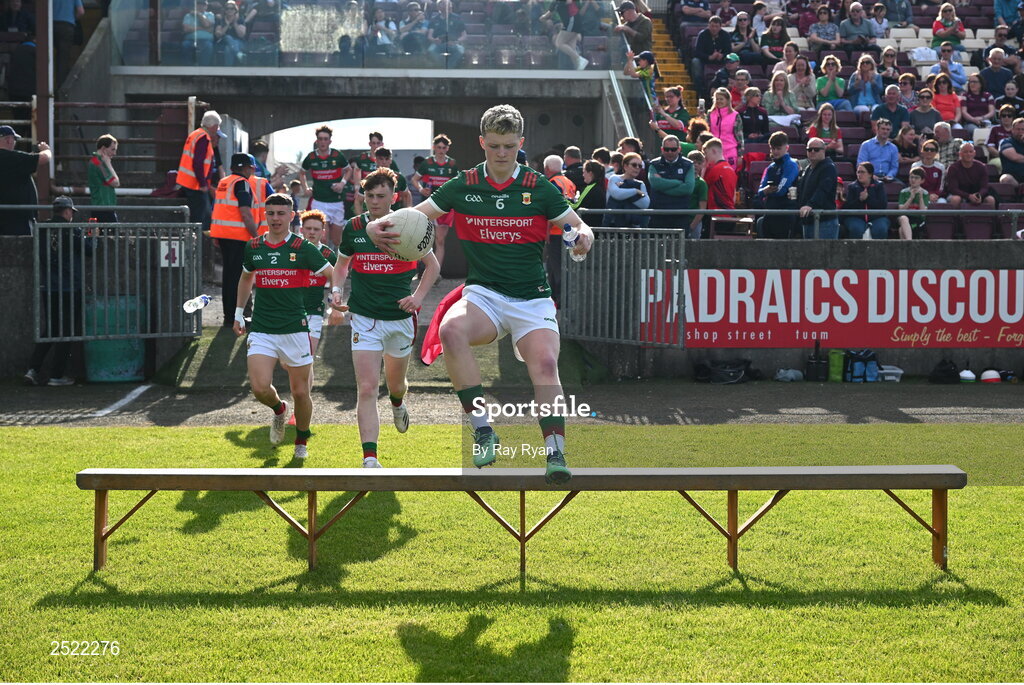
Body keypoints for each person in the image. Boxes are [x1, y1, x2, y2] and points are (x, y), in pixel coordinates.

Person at [365, 104, 594, 485]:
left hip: (532, 298)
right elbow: (414, 217)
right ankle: (483, 428)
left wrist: (583, 239)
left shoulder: (538, 187)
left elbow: (580, 228)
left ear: (520, 143)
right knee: (451, 331)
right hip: (484, 294)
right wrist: (376, 228)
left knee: (547, 367)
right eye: (493, 146)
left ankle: (555, 451)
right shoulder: (464, 183)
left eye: (508, 146)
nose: (501, 153)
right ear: (481, 143)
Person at [330, 168, 440, 467]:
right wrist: (337, 291)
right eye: (369, 196)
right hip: (364, 319)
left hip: (400, 319)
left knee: (396, 384)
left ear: (394, 197)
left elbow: (432, 266)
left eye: (381, 196)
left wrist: (417, 298)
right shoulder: (354, 227)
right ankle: (370, 459)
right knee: (366, 387)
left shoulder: (408, 224)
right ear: (362, 196)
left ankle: (398, 402)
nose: (374, 202)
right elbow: (341, 266)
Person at [233, 193, 333, 460]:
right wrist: (238, 313)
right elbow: (245, 279)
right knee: (259, 387)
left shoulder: (303, 248)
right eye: (271, 213)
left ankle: (301, 440)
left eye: (281, 213)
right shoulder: (254, 246)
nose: (275, 218)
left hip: (295, 328)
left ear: (292, 216)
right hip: (263, 328)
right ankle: (279, 410)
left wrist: (337, 299)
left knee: (302, 391)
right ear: (265, 215)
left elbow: (333, 274)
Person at [23, 196, 91, 387]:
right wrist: (92, 235)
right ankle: (56, 375)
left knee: (51, 330)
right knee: (67, 332)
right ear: (68, 212)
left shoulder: (42, 230)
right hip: (70, 287)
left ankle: (33, 369)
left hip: (49, 287)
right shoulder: (72, 230)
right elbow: (89, 249)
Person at [211, 153, 265, 327]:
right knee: (239, 278)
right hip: (238, 237)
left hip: (224, 236)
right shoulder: (242, 184)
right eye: (252, 167)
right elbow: (245, 213)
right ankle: (236, 317)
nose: (253, 171)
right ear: (247, 167)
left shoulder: (224, 182)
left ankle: (229, 316)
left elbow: (221, 210)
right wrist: (256, 236)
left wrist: (217, 234)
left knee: (229, 277)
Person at [300, 125, 352, 248]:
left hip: (336, 201)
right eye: (320, 139)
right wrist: (305, 187)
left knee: (337, 240)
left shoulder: (337, 155)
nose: (323, 142)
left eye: (325, 139)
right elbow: (301, 173)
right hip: (319, 202)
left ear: (330, 141)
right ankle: (325, 266)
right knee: (323, 239)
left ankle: (339, 265)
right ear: (316, 141)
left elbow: (349, 170)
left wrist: (342, 183)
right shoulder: (311, 157)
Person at [413, 134, 459, 270]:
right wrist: (421, 190)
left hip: (445, 206)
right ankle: (422, 269)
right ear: (434, 147)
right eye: (438, 147)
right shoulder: (427, 163)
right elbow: (414, 179)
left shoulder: (452, 164)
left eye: (444, 147)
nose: (441, 150)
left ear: (447, 148)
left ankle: (436, 272)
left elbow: (458, 183)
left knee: (440, 240)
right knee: (424, 239)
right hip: (428, 204)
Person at [175, 110, 223, 234]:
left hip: (190, 182)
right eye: (217, 127)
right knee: (202, 217)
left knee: (200, 215)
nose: (217, 129)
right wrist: (202, 183)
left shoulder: (195, 134)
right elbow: (198, 163)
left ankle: (197, 240)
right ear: (213, 126)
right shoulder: (203, 138)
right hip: (195, 184)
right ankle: (199, 243)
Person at [0, 125, 51, 236]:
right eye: (14, 139)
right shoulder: (11, 158)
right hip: (18, 219)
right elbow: (44, 158)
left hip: (4, 216)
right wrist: (46, 150)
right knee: (23, 250)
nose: (14, 143)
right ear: (8, 139)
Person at [756, 131, 799, 238]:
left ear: (786, 148)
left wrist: (767, 191)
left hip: (785, 214)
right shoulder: (770, 167)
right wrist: (766, 191)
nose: (775, 152)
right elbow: (760, 192)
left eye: (778, 148)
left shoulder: (791, 165)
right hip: (770, 213)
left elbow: (782, 190)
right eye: (772, 148)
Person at [648, 135, 696, 230]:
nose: (670, 152)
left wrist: (663, 186)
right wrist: (677, 182)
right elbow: (655, 183)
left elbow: (688, 188)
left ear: (679, 149)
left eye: (673, 149)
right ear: (662, 149)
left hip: (680, 215)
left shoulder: (688, 165)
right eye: (666, 149)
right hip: (658, 214)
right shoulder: (654, 164)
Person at [797, 137, 840, 238]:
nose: (812, 152)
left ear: (824, 150)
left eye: (816, 149)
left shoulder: (828, 167)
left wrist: (810, 205)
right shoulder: (808, 168)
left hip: (824, 221)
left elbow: (823, 189)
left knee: (825, 253)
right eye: (809, 149)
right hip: (809, 220)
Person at [842, 161, 889, 238]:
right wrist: (859, 200)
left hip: (877, 217)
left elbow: (882, 205)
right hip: (856, 217)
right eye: (858, 172)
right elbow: (847, 206)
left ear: (870, 174)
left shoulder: (879, 186)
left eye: (862, 172)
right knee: (856, 229)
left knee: (881, 229)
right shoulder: (852, 187)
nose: (859, 175)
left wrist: (868, 199)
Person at [944, 142, 997, 209]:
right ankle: (955, 219)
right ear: (960, 154)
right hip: (959, 195)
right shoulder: (953, 168)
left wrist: (979, 195)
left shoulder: (982, 167)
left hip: (977, 195)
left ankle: (989, 219)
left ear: (974, 153)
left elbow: (985, 187)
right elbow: (953, 189)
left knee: (990, 199)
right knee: (955, 199)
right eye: (965, 152)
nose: (968, 154)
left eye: (970, 152)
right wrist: (969, 196)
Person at [606, 151, 651, 226]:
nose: (637, 168)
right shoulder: (614, 178)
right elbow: (617, 194)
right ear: (625, 166)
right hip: (614, 224)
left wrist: (624, 190)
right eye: (634, 165)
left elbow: (645, 203)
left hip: (633, 225)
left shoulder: (640, 184)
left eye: (640, 166)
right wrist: (635, 191)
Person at [702, 137, 737, 229]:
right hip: (730, 214)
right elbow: (733, 197)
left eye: (706, 153)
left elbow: (701, 187)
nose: (705, 157)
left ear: (713, 151)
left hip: (715, 215)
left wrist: (703, 168)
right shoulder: (731, 170)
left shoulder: (714, 170)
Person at [693, 16, 732, 97]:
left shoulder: (725, 35)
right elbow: (697, 52)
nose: (714, 29)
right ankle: (699, 89)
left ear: (720, 27)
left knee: (733, 61)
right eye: (712, 26)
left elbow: (729, 51)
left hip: (721, 60)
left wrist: (722, 55)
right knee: (695, 61)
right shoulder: (702, 35)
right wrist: (709, 57)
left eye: (716, 26)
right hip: (705, 59)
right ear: (708, 26)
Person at [708, 86, 744, 167]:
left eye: (721, 99)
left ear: (727, 100)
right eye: (717, 99)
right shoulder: (710, 114)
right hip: (713, 151)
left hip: (730, 151)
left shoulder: (735, 115)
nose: (719, 101)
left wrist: (740, 155)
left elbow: (739, 137)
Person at [88, 134, 119, 223]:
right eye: (112, 149)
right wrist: (109, 164)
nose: (114, 153)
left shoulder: (94, 161)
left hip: (99, 207)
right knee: (113, 235)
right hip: (104, 208)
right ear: (103, 149)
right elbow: (116, 183)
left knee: (94, 235)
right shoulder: (99, 163)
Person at [857, 118, 899, 182]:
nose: (885, 131)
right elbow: (861, 164)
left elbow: (894, 167)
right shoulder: (866, 145)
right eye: (883, 129)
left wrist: (889, 175)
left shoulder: (894, 148)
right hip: (869, 177)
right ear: (877, 129)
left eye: (888, 129)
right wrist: (871, 175)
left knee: (901, 186)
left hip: (886, 178)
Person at [427, 0, 467, 67]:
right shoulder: (434, 19)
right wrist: (434, 40)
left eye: (449, 5)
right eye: (444, 5)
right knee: (431, 50)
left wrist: (456, 41)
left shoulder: (457, 18)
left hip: (453, 43)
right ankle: (443, 66)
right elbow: (429, 36)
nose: (448, 6)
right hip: (438, 44)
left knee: (460, 50)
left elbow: (464, 36)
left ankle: (449, 68)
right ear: (438, 7)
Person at [53, 0, 84, 86]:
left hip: (51, 25)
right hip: (67, 26)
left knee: (48, 55)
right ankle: (60, 86)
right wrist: (72, 18)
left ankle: (48, 83)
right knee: (63, 58)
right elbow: (81, 12)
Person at [570, 159, 606, 226]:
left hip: (589, 226)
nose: (583, 175)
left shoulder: (590, 188)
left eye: (584, 172)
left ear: (590, 173)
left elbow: (576, 206)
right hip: (596, 226)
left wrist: (564, 200)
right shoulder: (600, 186)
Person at [896, 167, 929, 239]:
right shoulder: (903, 192)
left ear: (922, 180)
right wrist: (911, 198)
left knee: (901, 230)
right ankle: (910, 243)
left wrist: (920, 198)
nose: (913, 180)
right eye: (911, 177)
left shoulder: (925, 193)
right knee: (903, 218)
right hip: (905, 218)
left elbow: (923, 214)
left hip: (917, 220)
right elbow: (901, 211)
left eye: (916, 178)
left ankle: (907, 247)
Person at [182, 0, 215, 66]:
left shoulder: (210, 15)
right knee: (185, 45)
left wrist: (198, 14)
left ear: (206, 6)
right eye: (199, 4)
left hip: (206, 40)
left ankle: (204, 69)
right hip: (190, 40)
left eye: (203, 4)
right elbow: (186, 29)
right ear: (195, 5)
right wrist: (203, 29)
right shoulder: (188, 16)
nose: (201, 6)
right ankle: (188, 69)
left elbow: (206, 24)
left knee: (209, 46)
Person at [214, 0, 247, 66]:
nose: (229, 10)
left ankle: (228, 70)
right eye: (227, 8)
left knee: (228, 49)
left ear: (235, 10)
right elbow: (218, 35)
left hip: (239, 43)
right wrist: (227, 24)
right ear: (225, 10)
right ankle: (238, 54)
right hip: (222, 44)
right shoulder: (220, 20)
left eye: (232, 8)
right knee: (227, 37)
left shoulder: (240, 20)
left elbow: (241, 35)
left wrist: (235, 23)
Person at [684, 150, 708, 238]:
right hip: (681, 219)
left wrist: (692, 226)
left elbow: (702, 208)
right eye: (693, 162)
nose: (696, 165)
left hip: (694, 221)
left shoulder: (701, 184)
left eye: (699, 163)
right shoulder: (682, 180)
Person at [986, 105, 1016, 172]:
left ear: (1013, 118)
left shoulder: (1018, 130)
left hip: (1016, 158)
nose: (1006, 117)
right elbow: (990, 147)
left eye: (1009, 115)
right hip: (998, 158)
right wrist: (1005, 156)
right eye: (1003, 115)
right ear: (1000, 117)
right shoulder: (995, 129)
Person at [1000, 117, 1024, 185]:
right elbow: (1015, 157)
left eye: (1023, 129)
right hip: (1013, 178)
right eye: (1018, 129)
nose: (1020, 132)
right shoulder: (1006, 142)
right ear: (1012, 130)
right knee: (1005, 178)